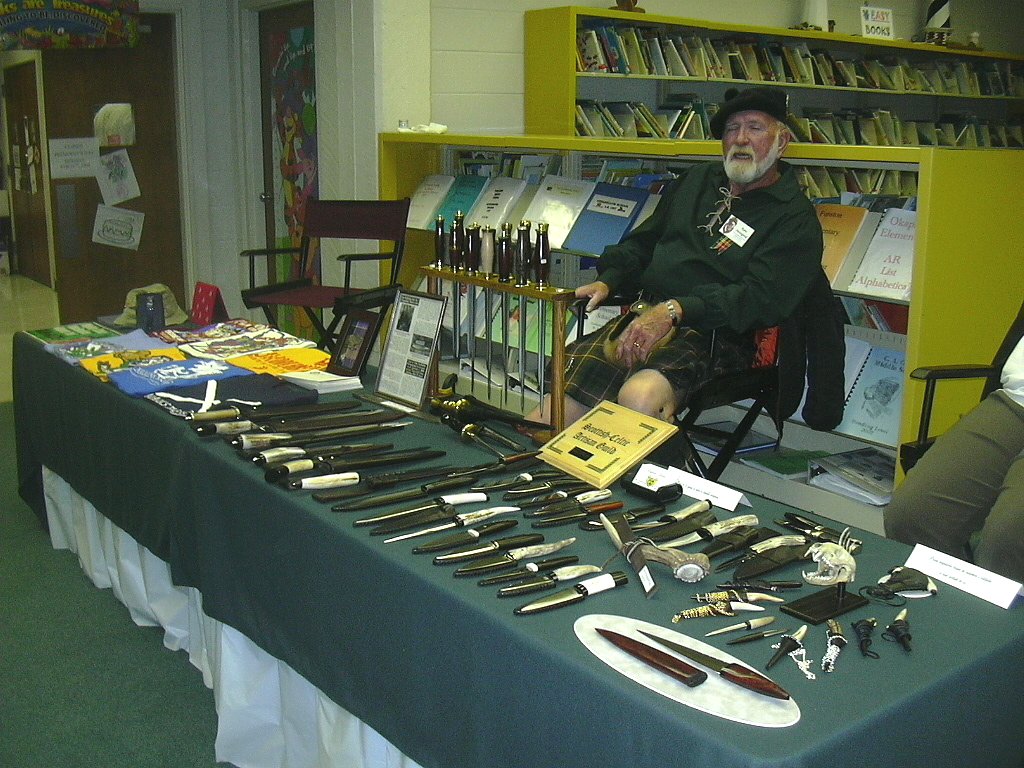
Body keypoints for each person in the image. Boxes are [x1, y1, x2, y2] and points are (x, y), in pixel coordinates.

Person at [529, 87, 824, 428]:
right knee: (547, 419)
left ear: (782, 141)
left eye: (755, 128)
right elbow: (644, 243)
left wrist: (678, 310)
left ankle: (652, 463)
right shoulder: (696, 181)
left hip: (718, 336)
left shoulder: (795, 218)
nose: (741, 139)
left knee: (639, 398)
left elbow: (760, 298)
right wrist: (609, 280)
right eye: (732, 129)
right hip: (645, 315)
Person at [884, 334, 1024, 583]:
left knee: (1006, 540)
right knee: (913, 514)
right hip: (1017, 399)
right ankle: (949, 604)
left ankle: (993, 610)